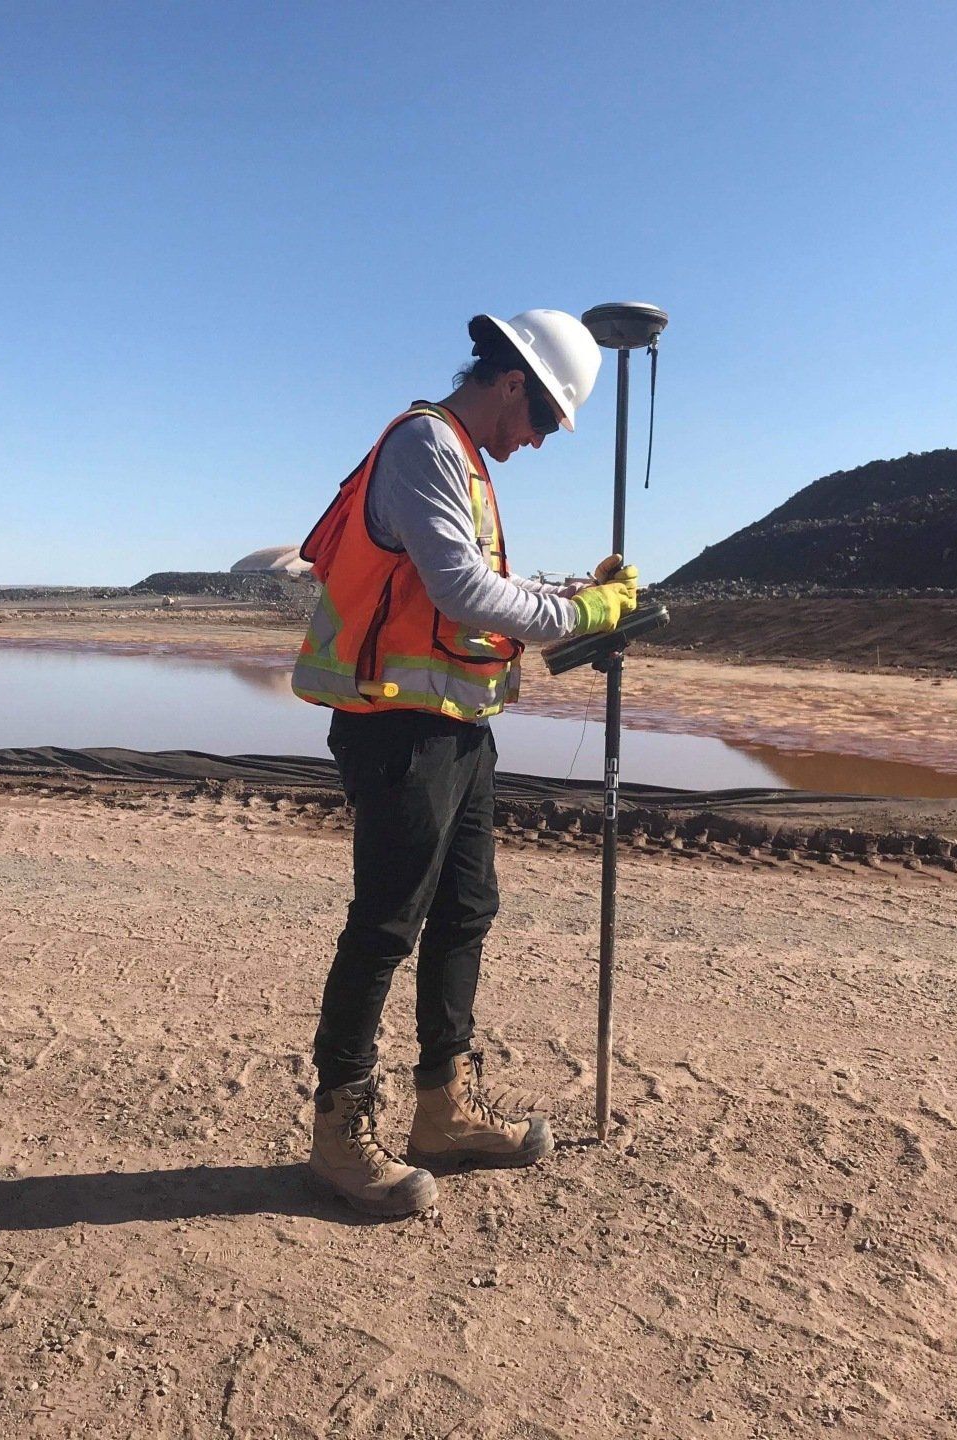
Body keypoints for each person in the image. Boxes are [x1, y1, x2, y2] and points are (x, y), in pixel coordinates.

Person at [291, 309, 638, 1217]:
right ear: (513, 382)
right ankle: (339, 1130)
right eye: (544, 423)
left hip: (456, 727)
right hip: (396, 729)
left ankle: (442, 1107)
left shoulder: (466, 463)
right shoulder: (425, 446)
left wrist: (573, 597)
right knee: (386, 925)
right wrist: (585, 616)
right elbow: (461, 587)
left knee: (466, 910)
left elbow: (469, 602)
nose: (539, 442)